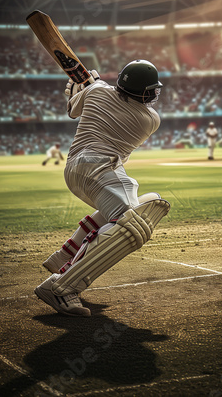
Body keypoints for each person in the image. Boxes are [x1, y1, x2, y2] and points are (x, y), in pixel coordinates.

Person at [34, 60, 170, 316]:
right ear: (145, 92)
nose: (155, 94)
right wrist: (91, 84)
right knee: (132, 223)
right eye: (152, 89)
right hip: (99, 168)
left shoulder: (97, 90)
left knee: (126, 211)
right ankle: (62, 286)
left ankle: (66, 255)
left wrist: (85, 87)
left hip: (74, 169)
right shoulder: (150, 119)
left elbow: (73, 109)